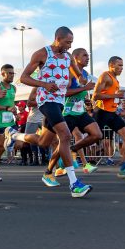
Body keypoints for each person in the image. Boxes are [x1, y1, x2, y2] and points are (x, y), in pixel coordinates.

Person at [10, 27, 92, 197]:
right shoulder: (42, 54)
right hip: (46, 100)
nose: (69, 46)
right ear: (57, 39)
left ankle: (14, 135)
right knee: (65, 135)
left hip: (59, 102)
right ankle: (74, 183)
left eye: (71, 43)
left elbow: (78, 74)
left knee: (43, 142)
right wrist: (45, 84)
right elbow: (24, 77)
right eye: (67, 42)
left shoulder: (68, 57)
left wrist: (82, 79)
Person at [43, 47, 101, 183]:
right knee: (56, 142)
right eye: (84, 55)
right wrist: (84, 88)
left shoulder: (85, 73)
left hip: (80, 111)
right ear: (75, 58)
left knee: (97, 134)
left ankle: (72, 150)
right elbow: (65, 92)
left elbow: (80, 92)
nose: (88, 58)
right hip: (67, 112)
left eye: (88, 55)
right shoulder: (68, 72)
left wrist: (85, 99)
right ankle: (48, 171)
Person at [93, 56, 125, 178]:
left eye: (122, 65)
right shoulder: (105, 76)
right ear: (111, 65)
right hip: (101, 112)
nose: (122, 68)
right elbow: (95, 96)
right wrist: (115, 95)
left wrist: (117, 97)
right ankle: (68, 154)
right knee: (92, 139)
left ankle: (124, 168)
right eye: (119, 65)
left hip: (112, 113)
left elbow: (111, 96)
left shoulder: (116, 80)